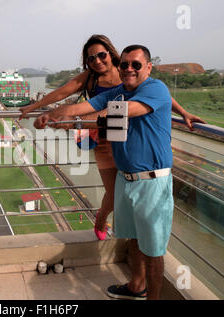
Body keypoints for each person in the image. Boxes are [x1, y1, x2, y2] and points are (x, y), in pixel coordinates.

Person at [34, 45, 195, 300]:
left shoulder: (155, 89)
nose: (129, 69)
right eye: (125, 65)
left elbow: (130, 110)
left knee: (154, 251)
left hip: (152, 183)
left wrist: (95, 117)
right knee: (134, 238)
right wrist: (52, 113)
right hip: (126, 178)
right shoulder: (118, 92)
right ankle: (136, 287)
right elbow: (84, 106)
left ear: (148, 67)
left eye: (136, 64)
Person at [21, 34, 204, 241]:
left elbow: (158, 93)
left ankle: (131, 235)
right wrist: (37, 109)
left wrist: (183, 112)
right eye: (91, 58)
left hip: (128, 136)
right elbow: (60, 95)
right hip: (102, 136)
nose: (97, 61)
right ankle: (105, 221)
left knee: (128, 186)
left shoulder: (126, 71)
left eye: (101, 55)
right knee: (116, 188)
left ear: (111, 54)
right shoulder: (90, 78)